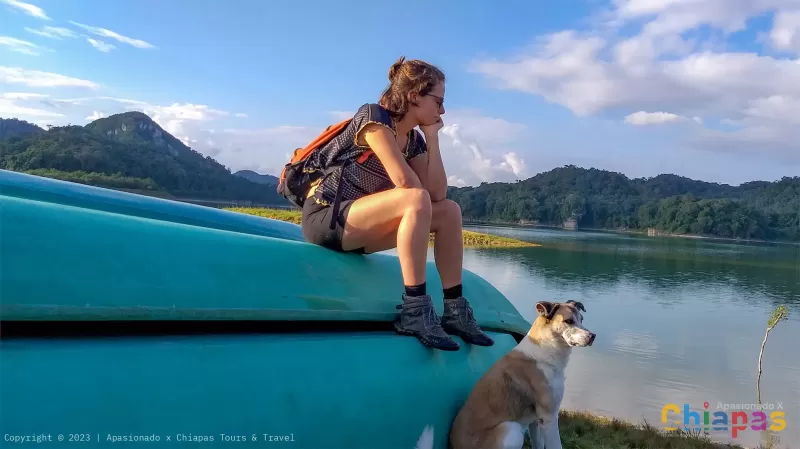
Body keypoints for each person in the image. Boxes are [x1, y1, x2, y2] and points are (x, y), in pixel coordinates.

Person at [299, 56, 494, 351]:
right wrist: (420, 192)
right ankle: (415, 309)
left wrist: (432, 140)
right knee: (414, 197)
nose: (442, 110)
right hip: (327, 218)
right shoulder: (374, 119)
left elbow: (438, 195)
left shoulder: (414, 140)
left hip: (363, 228)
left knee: (450, 211)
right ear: (415, 96)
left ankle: (455, 310)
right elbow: (407, 185)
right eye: (438, 101)